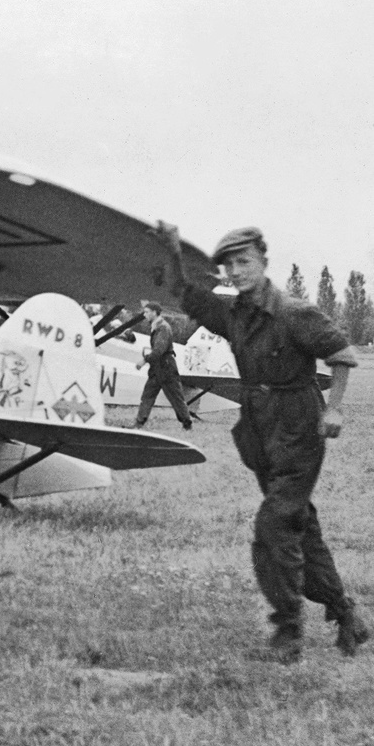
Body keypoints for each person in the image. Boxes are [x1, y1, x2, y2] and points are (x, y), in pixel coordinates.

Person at [157, 223, 365, 662]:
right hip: (259, 430)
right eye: (229, 265)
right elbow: (182, 291)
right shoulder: (235, 315)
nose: (235, 271)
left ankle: (288, 632)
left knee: (274, 525)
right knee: (299, 529)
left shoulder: (293, 311)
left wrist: (336, 408)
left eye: (243, 261)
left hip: (298, 429)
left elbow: (342, 354)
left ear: (263, 262)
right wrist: (174, 250)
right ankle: (347, 615)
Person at [132, 301, 193, 430]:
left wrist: (144, 361)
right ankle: (139, 423)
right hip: (158, 367)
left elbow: (159, 350)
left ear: (155, 313)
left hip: (166, 367)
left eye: (147, 312)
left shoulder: (163, 327)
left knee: (175, 397)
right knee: (148, 395)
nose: (145, 315)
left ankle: (187, 423)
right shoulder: (156, 326)